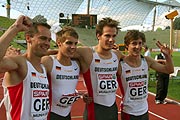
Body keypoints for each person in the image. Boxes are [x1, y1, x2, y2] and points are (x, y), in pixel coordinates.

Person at [0, 15, 52, 120]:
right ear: (28, 38)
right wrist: (15, 27)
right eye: (43, 38)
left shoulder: (43, 67)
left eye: (49, 40)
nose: (47, 43)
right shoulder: (20, 63)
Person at [119, 30, 174, 120]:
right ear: (126, 46)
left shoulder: (147, 61)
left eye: (140, 43)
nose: (138, 46)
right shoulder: (121, 64)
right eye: (134, 43)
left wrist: (167, 56)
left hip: (144, 111)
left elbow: (169, 70)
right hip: (129, 112)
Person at [76, 17, 124, 120]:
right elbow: (62, 52)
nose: (111, 40)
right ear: (98, 36)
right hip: (95, 109)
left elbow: (133, 59)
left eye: (113, 36)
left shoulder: (117, 54)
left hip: (112, 108)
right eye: (107, 36)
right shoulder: (87, 53)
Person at [41, 26, 83, 120]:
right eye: (69, 43)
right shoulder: (48, 61)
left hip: (67, 114)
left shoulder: (77, 64)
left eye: (75, 43)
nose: (73, 47)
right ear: (59, 43)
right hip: (50, 114)